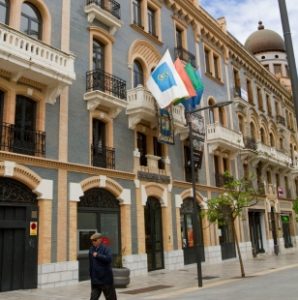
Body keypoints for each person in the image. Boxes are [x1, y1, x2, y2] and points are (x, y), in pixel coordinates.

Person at [89, 232, 117, 300]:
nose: (93, 242)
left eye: (95, 240)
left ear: (100, 240)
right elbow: (91, 264)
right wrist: (91, 275)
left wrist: (98, 255)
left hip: (106, 280)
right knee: (93, 298)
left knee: (111, 298)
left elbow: (109, 259)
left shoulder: (106, 248)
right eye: (92, 240)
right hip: (95, 281)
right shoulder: (91, 249)